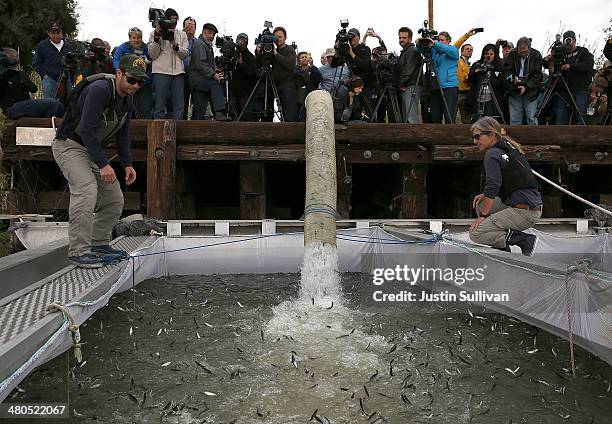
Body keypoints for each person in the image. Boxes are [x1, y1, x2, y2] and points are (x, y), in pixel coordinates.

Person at [52, 54, 146, 268]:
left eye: (140, 82)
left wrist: (127, 163)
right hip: (69, 145)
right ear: (119, 73)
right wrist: (104, 164)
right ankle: (78, 251)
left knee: (114, 198)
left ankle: (99, 243)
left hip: (90, 149)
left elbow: (123, 133)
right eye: (131, 80)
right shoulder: (100, 90)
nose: (135, 85)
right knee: (86, 190)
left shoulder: (128, 99)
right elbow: (85, 129)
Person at [469, 116, 542, 256]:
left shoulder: (492, 154)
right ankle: (502, 248)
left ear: (491, 134)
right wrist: (485, 196)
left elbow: (493, 185)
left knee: (476, 233)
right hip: (532, 207)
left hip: (524, 213)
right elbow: (513, 179)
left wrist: (483, 216)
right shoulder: (509, 146)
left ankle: (523, 240)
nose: (475, 141)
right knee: (481, 203)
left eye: (477, 137)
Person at [542, 30, 594, 125]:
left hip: (579, 89)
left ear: (574, 40)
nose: (568, 42)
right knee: (561, 118)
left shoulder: (583, 51)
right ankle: (560, 139)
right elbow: (547, 65)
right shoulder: (562, 53)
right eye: (566, 40)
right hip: (564, 90)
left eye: (569, 39)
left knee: (580, 117)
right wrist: (547, 60)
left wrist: (571, 66)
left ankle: (580, 137)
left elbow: (588, 64)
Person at [148, 7, 189, 120]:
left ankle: (178, 132)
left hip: (178, 73)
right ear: (165, 19)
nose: (174, 22)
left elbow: (185, 54)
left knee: (179, 105)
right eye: (171, 19)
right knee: (159, 105)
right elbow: (152, 55)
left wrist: (174, 44)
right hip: (160, 72)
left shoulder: (182, 34)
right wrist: (157, 38)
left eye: (176, 20)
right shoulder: (154, 33)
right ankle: (159, 132)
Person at [0, 47, 65, 119]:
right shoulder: (3, 75)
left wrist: (24, 80)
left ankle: (50, 126)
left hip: (24, 105)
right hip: (11, 108)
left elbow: (34, 89)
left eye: (16, 57)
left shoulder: (21, 74)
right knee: (53, 103)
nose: (15, 59)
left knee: (57, 105)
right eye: (12, 57)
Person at [188, 23, 232, 121]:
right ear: (203, 32)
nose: (211, 36)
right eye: (209, 33)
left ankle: (194, 132)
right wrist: (213, 74)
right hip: (199, 80)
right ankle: (219, 112)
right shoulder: (200, 43)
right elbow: (201, 64)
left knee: (199, 112)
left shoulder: (205, 45)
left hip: (200, 82)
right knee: (215, 85)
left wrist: (215, 71)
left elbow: (206, 64)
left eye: (213, 34)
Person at [256, 26, 297, 122]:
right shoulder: (269, 49)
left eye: (280, 37)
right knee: (268, 109)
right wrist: (259, 53)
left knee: (288, 114)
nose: (278, 39)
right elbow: (260, 64)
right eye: (276, 37)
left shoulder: (289, 49)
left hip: (286, 86)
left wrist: (276, 54)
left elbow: (290, 65)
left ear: (285, 38)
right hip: (273, 83)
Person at [418, 31, 459, 123]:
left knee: (449, 116)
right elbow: (421, 50)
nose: (439, 42)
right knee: (435, 116)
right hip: (435, 86)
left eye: (442, 40)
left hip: (449, 87)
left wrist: (434, 44)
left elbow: (447, 50)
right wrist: (419, 43)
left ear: (448, 41)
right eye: (438, 40)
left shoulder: (453, 50)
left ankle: (451, 134)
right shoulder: (434, 52)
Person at [331, 27, 376, 111]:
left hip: (366, 84)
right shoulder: (346, 50)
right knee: (354, 109)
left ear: (358, 37)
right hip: (353, 85)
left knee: (368, 108)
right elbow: (334, 65)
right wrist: (337, 51)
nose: (351, 38)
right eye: (350, 37)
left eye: (353, 36)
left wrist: (351, 53)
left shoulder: (365, 49)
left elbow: (365, 65)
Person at [113, 27, 153, 118]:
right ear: (129, 38)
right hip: (127, 81)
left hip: (143, 83)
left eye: (138, 38)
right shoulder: (123, 47)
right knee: (125, 106)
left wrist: (143, 82)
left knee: (144, 108)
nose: (136, 40)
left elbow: (152, 67)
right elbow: (116, 60)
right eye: (133, 38)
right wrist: (122, 75)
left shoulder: (147, 49)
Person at [504, 37, 543, 125]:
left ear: (529, 48)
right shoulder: (512, 54)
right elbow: (507, 71)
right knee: (515, 119)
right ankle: (514, 138)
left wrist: (526, 86)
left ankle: (534, 138)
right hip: (515, 89)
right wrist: (512, 77)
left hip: (530, 91)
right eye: (520, 52)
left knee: (531, 118)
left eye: (525, 52)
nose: (523, 54)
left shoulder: (536, 55)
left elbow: (537, 75)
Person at [32, 22, 72, 99]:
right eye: (53, 33)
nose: (56, 35)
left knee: (70, 102)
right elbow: (36, 63)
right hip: (50, 80)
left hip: (67, 79)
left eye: (58, 32)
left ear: (62, 33)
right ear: (48, 33)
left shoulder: (68, 45)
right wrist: (44, 76)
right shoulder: (42, 45)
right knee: (50, 104)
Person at [466, 44, 505, 121]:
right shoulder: (477, 65)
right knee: (478, 120)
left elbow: (501, 83)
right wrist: (476, 72)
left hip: (493, 99)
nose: (488, 56)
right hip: (478, 97)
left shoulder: (499, 66)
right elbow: (470, 80)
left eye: (491, 54)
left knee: (490, 120)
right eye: (486, 54)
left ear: (495, 55)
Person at [395, 26, 422, 123]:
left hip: (410, 86)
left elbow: (408, 70)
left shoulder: (412, 51)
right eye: (400, 38)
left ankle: (415, 137)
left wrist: (401, 84)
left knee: (411, 116)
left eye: (404, 38)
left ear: (410, 38)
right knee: (407, 116)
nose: (401, 40)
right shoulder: (406, 51)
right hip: (407, 86)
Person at [231, 33, 258, 121]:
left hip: (246, 94)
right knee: (233, 116)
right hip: (233, 91)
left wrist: (241, 63)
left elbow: (252, 73)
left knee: (246, 117)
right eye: (239, 40)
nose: (240, 42)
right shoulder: (233, 54)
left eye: (242, 40)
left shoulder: (250, 57)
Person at [295, 51, 322, 121]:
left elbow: (318, 78)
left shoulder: (313, 70)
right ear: (298, 61)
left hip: (311, 98)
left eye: (306, 57)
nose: (304, 58)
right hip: (298, 99)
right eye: (302, 57)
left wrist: (312, 66)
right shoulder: (295, 71)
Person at [182, 17, 197, 119]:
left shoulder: (198, 42)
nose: (191, 26)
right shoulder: (179, 39)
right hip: (182, 75)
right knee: (182, 102)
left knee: (197, 102)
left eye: (193, 25)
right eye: (188, 24)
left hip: (195, 76)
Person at [457, 44, 474, 123]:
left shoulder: (468, 64)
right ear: (462, 51)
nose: (469, 51)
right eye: (467, 49)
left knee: (466, 119)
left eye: (471, 49)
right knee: (451, 117)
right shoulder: (458, 61)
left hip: (466, 93)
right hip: (457, 92)